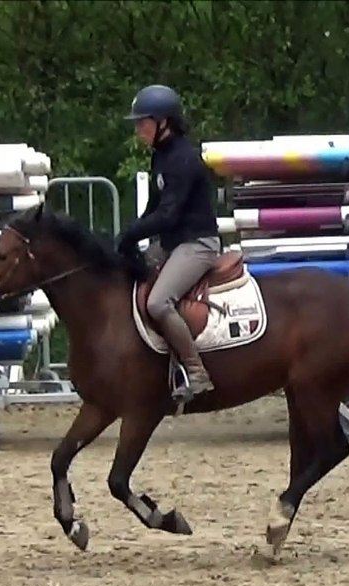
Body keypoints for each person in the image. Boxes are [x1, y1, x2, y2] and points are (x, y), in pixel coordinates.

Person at [113, 84, 221, 402]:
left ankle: (197, 371)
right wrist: (128, 236)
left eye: (143, 121)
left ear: (164, 122)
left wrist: (133, 233)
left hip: (197, 243)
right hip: (174, 242)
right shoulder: (162, 156)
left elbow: (170, 215)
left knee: (158, 302)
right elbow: (155, 208)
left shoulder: (184, 159)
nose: (138, 128)